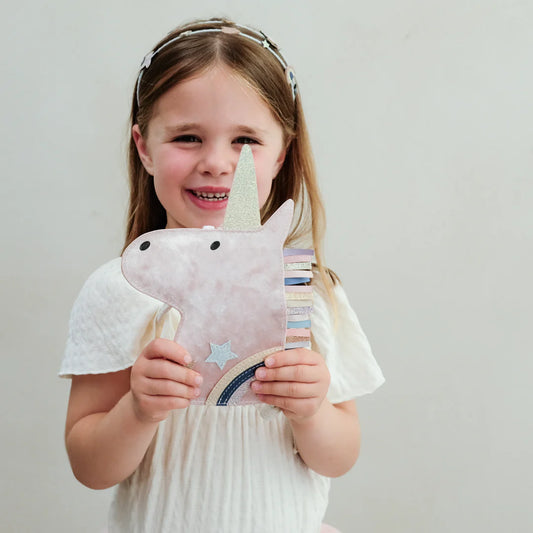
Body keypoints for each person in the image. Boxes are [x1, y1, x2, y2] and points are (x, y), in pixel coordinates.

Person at [60, 18, 384, 533]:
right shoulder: (118, 290)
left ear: (281, 153)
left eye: (245, 140)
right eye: (187, 137)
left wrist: (311, 411)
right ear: (144, 147)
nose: (216, 162)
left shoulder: (306, 290)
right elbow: (90, 467)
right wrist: (138, 410)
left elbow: (339, 457)